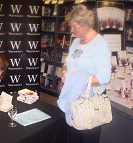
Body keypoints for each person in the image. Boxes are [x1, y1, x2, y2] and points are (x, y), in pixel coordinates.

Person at [57, 4, 111, 143]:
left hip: (90, 102)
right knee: (72, 135)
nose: (72, 30)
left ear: (86, 24)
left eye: (75, 26)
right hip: (74, 96)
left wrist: (74, 79)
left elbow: (105, 77)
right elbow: (67, 63)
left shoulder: (99, 44)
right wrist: (64, 72)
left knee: (87, 138)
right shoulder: (75, 41)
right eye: (71, 26)